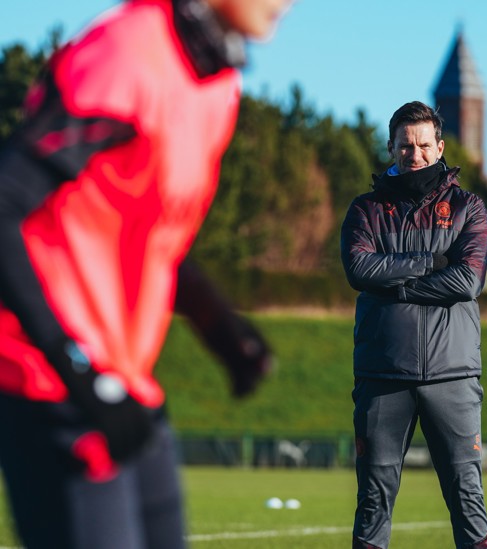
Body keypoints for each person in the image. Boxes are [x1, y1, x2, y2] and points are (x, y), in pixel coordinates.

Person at [0, 0, 291, 546]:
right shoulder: (124, 56)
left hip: (126, 383)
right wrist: (80, 373)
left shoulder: (218, 80)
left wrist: (217, 322)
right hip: (52, 384)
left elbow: (143, 227)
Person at [340, 101, 487, 549]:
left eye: (424, 145)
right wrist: (429, 263)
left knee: (468, 498)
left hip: (453, 376)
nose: (415, 154)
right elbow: (358, 271)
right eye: (405, 145)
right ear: (391, 147)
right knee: (373, 500)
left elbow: (467, 280)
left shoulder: (469, 208)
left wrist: (398, 287)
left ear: (439, 146)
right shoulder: (365, 209)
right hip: (383, 376)